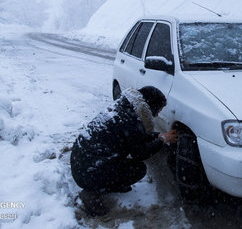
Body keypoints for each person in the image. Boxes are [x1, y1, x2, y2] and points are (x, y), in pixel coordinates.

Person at [70, 86, 177, 215]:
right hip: (88, 173)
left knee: (121, 163)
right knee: (138, 169)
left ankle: (106, 183)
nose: (157, 115)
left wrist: (157, 136)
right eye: (158, 110)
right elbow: (140, 153)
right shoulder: (131, 120)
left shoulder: (124, 109)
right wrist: (162, 140)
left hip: (82, 164)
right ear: (151, 106)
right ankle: (91, 193)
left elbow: (135, 137)